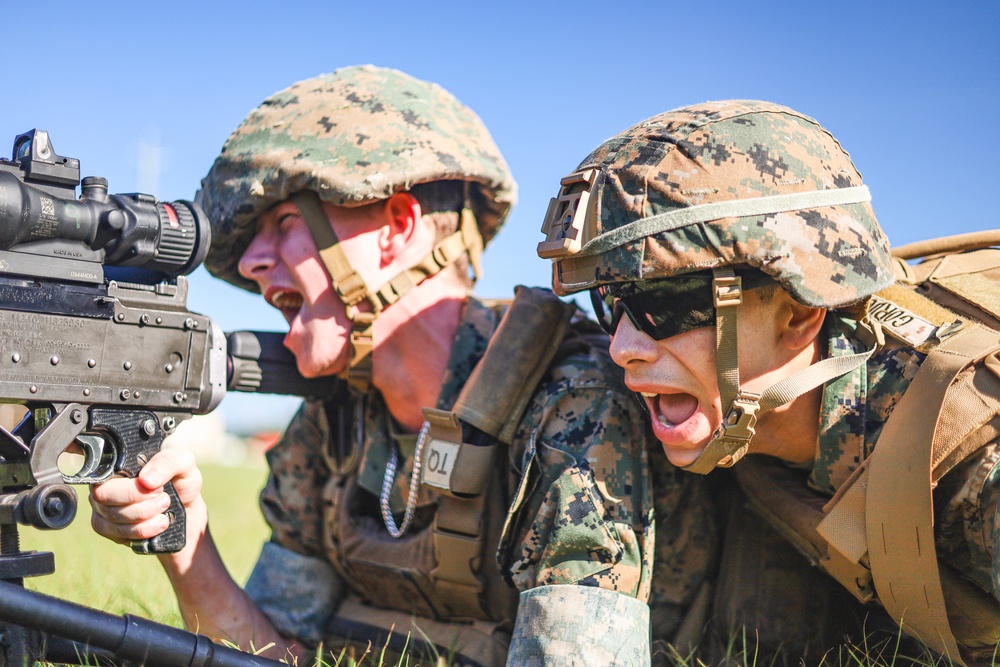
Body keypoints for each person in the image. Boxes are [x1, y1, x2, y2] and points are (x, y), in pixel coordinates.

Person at [89, 65, 659, 666]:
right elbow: (267, 656)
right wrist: (185, 538)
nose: (255, 263)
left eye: (285, 224)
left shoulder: (573, 406)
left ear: (398, 228)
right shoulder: (334, 421)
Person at [536, 99, 1000, 665]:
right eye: (609, 301)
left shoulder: (972, 459)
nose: (623, 346)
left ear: (800, 313)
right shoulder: (723, 409)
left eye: (664, 303)